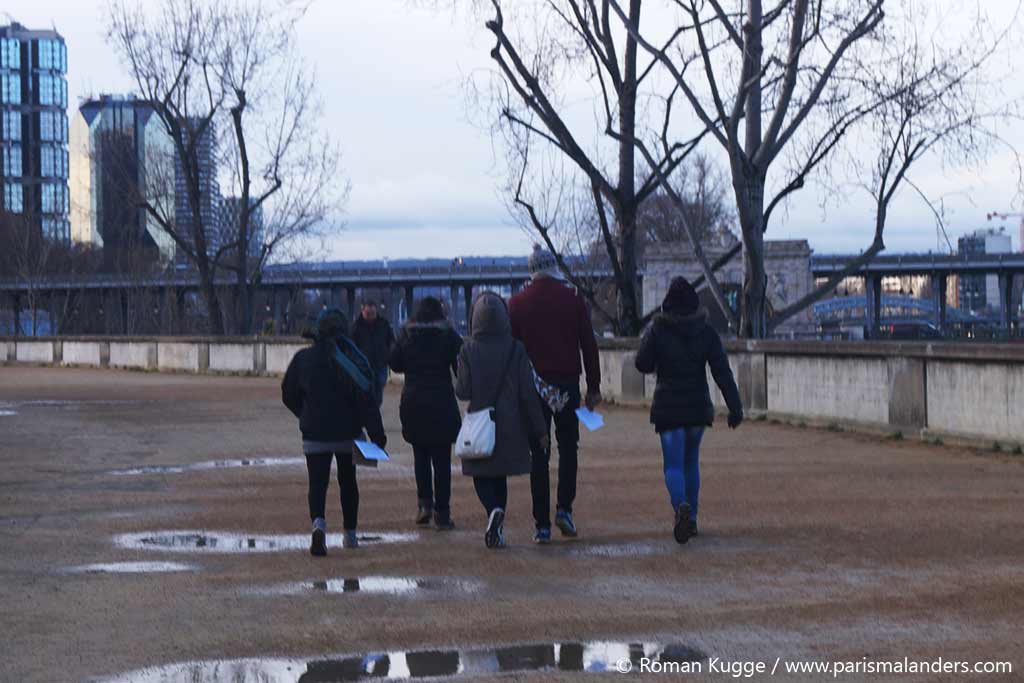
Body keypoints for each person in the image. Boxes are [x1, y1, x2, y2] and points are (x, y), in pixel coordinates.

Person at [634, 277, 743, 545]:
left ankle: (679, 505)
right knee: (690, 463)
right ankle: (691, 518)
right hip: (697, 407)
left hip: (669, 407)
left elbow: (642, 363)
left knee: (673, 465)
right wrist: (734, 406)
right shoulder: (706, 332)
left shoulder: (658, 329)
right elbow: (721, 372)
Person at [508, 245, 601, 543]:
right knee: (568, 447)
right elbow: (588, 344)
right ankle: (564, 508)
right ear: (553, 266)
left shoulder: (517, 303)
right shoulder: (572, 298)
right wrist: (594, 386)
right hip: (567, 383)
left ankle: (541, 525)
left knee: (539, 454)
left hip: (534, 387)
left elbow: (513, 352)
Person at [282, 308, 387, 556]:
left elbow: (287, 393)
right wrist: (377, 435)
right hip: (347, 433)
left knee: (317, 484)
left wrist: (304, 413)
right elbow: (367, 401)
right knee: (348, 483)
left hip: (314, 433)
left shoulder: (302, 359)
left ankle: (318, 524)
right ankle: (350, 535)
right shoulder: (353, 360)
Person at [455, 291, 547, 549]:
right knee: (500, 476)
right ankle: (498, 521)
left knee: (481, 475)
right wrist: (539, 429)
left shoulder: (468, 349)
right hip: (510, 422)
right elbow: (528, 393)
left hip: (480, 421)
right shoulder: (516, 348)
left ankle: (492, 510)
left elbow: (463, 391)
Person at [388, 296, 463, 530]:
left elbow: (395, 363)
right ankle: (443, 512)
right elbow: (460, 368)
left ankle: (424, 505)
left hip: (414, 400)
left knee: (420, 457)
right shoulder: (449, 335)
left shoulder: (406, 334)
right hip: (441, 399)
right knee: (442, 462)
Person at [351, 300, 395, 406]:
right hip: (363, 366)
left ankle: (374, 410)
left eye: (372, 313)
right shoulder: (356, 327)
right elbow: (351, 345)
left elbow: (391, 341)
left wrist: (388, 355)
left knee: (378, 389)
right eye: (368, 313)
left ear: (376, 312)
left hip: (380, 364)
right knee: (366, 391)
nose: (370, 316)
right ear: (362, 312)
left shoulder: (384, 324)